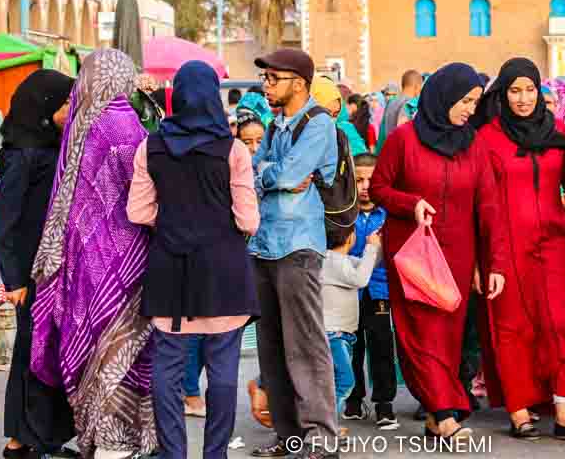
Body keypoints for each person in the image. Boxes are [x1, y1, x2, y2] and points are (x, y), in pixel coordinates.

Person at [127, 60, 259, 459]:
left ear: (176, 97)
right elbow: (248, 219)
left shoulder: (150, 146)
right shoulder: (233, 149)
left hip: (171, 269)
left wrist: (173, 222)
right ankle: (214, 453)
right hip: (223, 271)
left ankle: (174, 453)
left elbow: (138, 212)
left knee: (167, 368)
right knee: (222, 369)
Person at [29, 49, 157, 457]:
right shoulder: (122, 123)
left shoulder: (81, 124)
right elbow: (142, 184)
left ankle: (98, 433)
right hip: (124, 257)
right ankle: (118, 439)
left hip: (83, 258)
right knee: (124, 347)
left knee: (94, 341)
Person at [370, 63, 508, 442]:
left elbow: (489, 208)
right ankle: (446, 416)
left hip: (459, 257)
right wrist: (411, 203)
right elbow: (379, 188)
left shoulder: (473, 144)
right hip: (415, 254)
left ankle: (435, 414)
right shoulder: (402, 140)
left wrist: (491, 263)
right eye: (464, 101)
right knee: (422, 335)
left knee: (447, 338)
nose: (469, 110)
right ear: (443, 96)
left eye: (475, 103)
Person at [476, 58, 565, 442]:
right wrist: (482, 259)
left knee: (561, 322)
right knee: (512, 326)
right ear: (503, 94)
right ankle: (519, 409)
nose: (523, 99)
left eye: (529, 90)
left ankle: (563, 409)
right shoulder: (489, 137)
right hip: (505, 244)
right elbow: (481, 200)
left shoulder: (557, 129)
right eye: (514, 91)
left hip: (553, 240)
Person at [250, 49, 339, 459]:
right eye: (265, 79)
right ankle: (288, 437)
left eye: (273, 79)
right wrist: (273, 172)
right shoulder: (274, 125)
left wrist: (271, 172)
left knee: (304, 343)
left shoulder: (318, 123)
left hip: (298, 245)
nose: (266, 86)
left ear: (299, 83)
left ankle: (321, 435)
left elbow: (284, 173)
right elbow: (263, 172)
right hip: (265, 244)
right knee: (271, 345)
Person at [0, 70, 77, 459]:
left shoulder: (48, 143)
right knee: (31, 357)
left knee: (46, 355)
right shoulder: (23, 152)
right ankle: (19, 444)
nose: (68, 111)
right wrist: (14, 280)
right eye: (63, 105)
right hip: (29, 275)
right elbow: (5, 221)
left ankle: (42, 440)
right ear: (44, 107)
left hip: (48, 272)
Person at [343, 154, 399, 430]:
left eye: (371, 180)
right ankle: (353, 400)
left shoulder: (389, 213)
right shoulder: (343, 213)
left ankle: (384, 404)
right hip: (347, 292)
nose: (365, 186)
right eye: (359, 180)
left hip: (379, 290)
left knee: (381, 345)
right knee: (351, 347)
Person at [322, 223, 381, 431]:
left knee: (333, 382)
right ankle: (327, 426)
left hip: (339, 334)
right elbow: (361, 278)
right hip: (334, 334)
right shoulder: (334, 261)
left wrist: (377, 244)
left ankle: (326, 424)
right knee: (345, 381)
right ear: (349, 238)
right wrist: (371, 247)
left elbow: (368, 265)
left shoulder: (338, 260)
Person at [310, 75, 368, 156]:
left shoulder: (344, 130)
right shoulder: (298, 134)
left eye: (335, 114)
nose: (331, 119)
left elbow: (361, 160)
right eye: (327, 113)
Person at [376, 70, 423, 153]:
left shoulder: (390, 103)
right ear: (416, 87)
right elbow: (403, 132)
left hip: (388, 153)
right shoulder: (411, 104)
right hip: (402, 155)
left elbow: (382, 135)